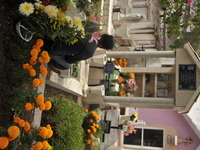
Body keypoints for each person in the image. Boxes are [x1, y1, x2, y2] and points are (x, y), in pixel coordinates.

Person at [43, 21, 116, 74]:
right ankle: (51, 63)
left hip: (52, 29)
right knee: (68, 66)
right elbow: (69, 60)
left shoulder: (93, 26)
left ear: (105, 34)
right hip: (50, 46)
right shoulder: (90, 52)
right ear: (102, 48)